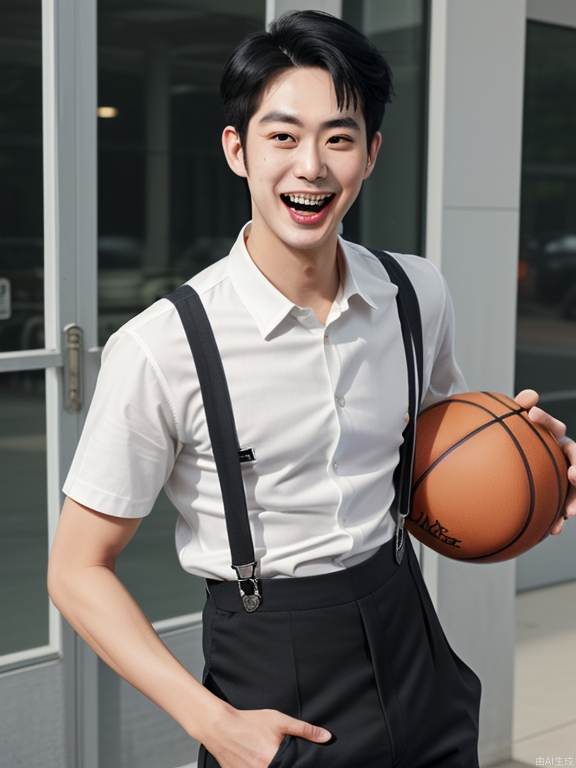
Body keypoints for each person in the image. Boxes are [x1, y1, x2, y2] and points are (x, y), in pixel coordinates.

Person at [47, 10, 576, 768]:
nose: (312, 166)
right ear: (238, 150)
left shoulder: (414, 291)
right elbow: (74, 568)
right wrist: (212, 722)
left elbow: (443, 440)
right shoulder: (163, 346)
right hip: (273, 663)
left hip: (412, 635)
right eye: (283, 136)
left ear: (371, 154)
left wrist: (529, 458)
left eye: (339, 137)